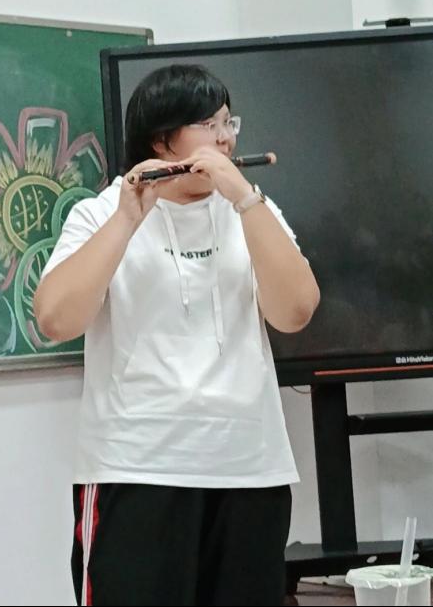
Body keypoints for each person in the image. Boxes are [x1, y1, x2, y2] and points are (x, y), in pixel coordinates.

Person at [34, 64, 320, 607]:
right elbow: (55, 320)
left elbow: (296, 311)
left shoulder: (252, 210)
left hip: (249, 469)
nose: (226, 138)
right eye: (208, 126)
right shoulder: (100, 213)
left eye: (228, 122)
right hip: (136, 469)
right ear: (162, 141)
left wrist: (245, 198)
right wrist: (127, 220)